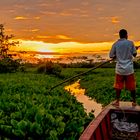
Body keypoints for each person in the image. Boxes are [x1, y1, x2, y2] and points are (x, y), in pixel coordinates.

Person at [109, 29, 138, 106]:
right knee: (132, 87)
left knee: (118, 86)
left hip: (119, 70)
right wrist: (135, 49)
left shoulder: (115, 44)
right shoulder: (130, 43)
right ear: (126, 35)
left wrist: (117, 55)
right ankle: (134, 102)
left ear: (119, 35)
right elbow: (134, 54)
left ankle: (117, 101)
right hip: (129, 69)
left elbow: (111, 56)